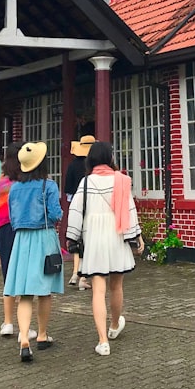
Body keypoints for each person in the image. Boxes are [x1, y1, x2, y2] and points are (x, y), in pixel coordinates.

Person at [65, 141, 143, 357]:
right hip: (116, 235)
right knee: (116, 287)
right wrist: (136, 236)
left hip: (95, 237)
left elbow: (75, 211)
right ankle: (115, 325)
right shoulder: (122, 181)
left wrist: (71, 238)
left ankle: (103, 341)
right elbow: (130, 209)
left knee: (98, 291)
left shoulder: (86, 182)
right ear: (110, 158)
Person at [2, 142, 64, 363]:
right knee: (44, 290)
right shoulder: (49, 185)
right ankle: (43, 335)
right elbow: (56, 214)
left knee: (25, 293)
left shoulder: (15, 187)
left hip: (21, 240)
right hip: (43, 237)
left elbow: (11, 215)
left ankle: (24, 340)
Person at [0, 144, 37, 343]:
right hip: (22, 228)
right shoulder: (25, 181)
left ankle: (8, 322)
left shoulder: (2, 181)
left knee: (8, 274)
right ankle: (24, 327)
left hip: (3, 229)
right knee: (23, 275)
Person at [64, 134, 96, 290]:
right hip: (92, 207)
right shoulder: (93, 167)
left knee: (76, 240)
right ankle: (83, 276)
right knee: (88, 240)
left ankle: (75, 271)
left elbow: (68, 191)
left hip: (75, 207)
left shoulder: (72, 165)